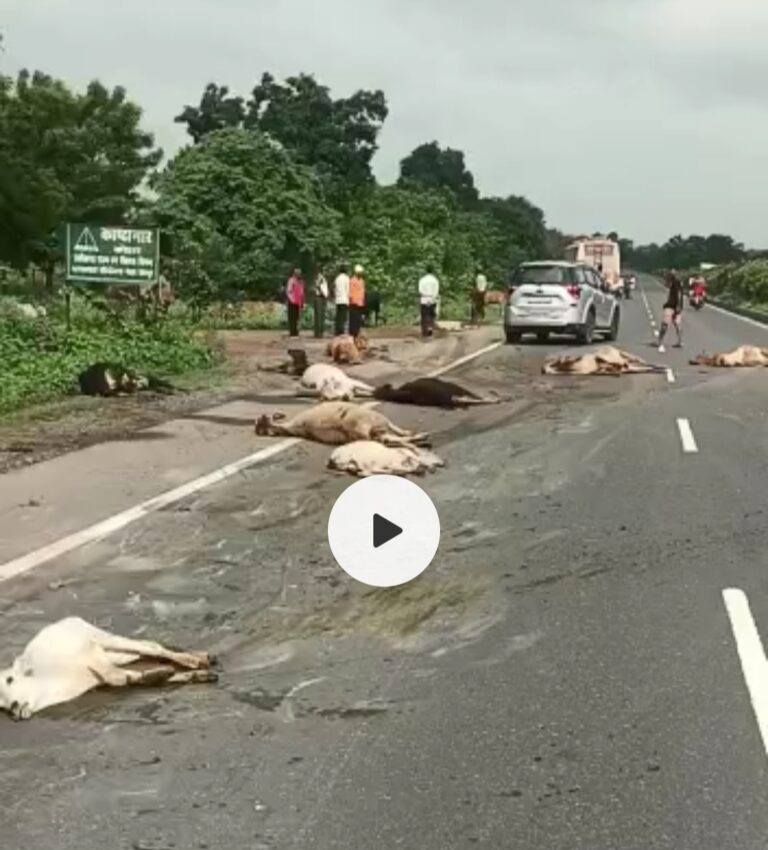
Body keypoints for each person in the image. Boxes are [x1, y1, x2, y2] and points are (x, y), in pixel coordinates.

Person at [658, 271, 684, 353]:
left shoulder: (676, 283)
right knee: (677, 324)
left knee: (665, 323)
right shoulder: (675, 283)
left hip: (672, 306)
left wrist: (678, 306)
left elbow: (679, 295)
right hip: (674, 305)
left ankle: (660, 340)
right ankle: (679, 341)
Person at [418, 264, 440, 338]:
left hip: (424, 299)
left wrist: (425, 295)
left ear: (426, 271)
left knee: (424, 315)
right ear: (432, 271)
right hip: (432, 298)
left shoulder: (422, 280)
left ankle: (424, 330)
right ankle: (430, 327)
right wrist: (433, 298)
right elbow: (436, 291)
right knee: (431, 314)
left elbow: (420, 290)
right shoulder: (435, 280)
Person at [285, 268, 305, 337]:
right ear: (295, 274)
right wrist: (292, 300)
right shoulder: (291, 280)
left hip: (298, 302)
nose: (299, 275)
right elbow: (288, 291)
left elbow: (302, 292)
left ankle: (296, 331)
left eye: (300, 273)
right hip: (292, 302)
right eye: (298, 273)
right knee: (292, 317)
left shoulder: (300, 282)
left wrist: (302, 301)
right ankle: (292, 332)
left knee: (297, 317)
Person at [349, 264, 366, 339]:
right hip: (353, 303)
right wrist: (352, 299)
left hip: (360, 303)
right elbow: (350, 291)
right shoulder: (352, 281)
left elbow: (362, 291)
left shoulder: (362, 281)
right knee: (353, 319)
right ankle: (352, 333)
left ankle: (357, 332)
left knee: (358, 319)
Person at [333, 264, 350, 335]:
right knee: (343, 316)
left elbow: (334, 289)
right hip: (344, 299)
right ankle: (341, 330)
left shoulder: (337, 278)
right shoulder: (346, 278)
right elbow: (348, 289)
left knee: (338, 316)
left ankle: (337, 330)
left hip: (338, 300)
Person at [313, 268, 329, 338]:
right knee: (319, 316)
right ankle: (319, 333)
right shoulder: (321, 278)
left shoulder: (321, 278)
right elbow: (321, 288)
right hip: (320, 297)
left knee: (319, 316)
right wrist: (325, 295)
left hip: (320, 297)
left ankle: (318, 332)